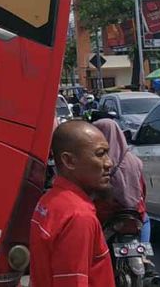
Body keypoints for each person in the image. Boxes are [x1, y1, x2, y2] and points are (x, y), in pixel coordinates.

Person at [30, 121, 116, 287]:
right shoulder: (79, 216)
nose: (109, 163)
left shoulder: (49, 201)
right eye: (100, 154)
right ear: (69, 161)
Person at [92, 119, 150, 244]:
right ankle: (144, 249)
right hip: (133, 212)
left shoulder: (96, 161)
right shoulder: (135, 160)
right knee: (145, 219)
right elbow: (142, 190)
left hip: (105, 215)